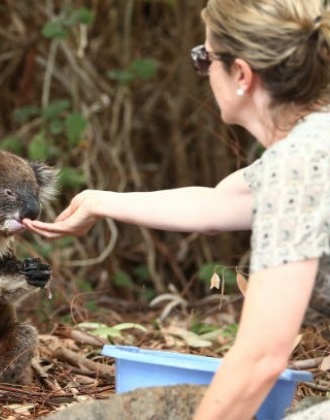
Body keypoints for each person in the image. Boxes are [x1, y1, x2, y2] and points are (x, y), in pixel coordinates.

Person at [23, 1, 330, 419]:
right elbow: (219, 204)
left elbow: (261, 358)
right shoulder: (312, 144)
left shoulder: (301, 163)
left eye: (203, 58)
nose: (202, 72)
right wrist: (98, 202)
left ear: (240, 73)